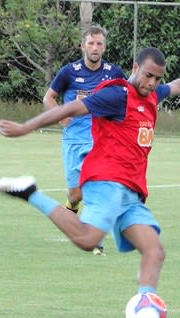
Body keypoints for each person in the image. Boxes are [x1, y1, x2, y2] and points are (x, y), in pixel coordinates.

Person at [0, 47, 180, 318]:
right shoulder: (118, 95)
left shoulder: (152, 96)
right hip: (106, 182)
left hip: (131, 193)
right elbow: (71, 108)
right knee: (88, 240)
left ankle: (146, 311)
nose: (152, 83)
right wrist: (27, 127)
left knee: (154, 251)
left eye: (157, 79)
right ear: (135, 67)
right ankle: (30, 193)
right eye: (148, 75)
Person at [43, 25, 126, 256]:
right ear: (83, 46)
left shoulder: (113, 73)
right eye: (91, 43)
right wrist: (58, 113)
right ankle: (71, 209)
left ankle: (94, 237)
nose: (95, 47)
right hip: (73, 139)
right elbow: (49, 97)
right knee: (75, 193)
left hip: (101, 140)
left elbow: (125, 98)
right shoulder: (69, 72)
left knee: (94, 186)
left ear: (104, 46)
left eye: (99, 43)